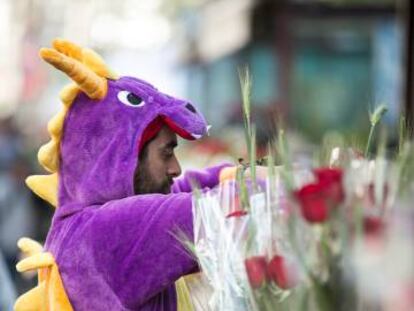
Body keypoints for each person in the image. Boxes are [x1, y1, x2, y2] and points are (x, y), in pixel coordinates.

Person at [14, 39, 235, 311]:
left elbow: (185, 190)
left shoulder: (86, 221)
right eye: (166, 153)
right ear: (121, 160)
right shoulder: (109, 230)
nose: (176, 168)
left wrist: (229, 174)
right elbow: (216, 210)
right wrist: (275, 186)